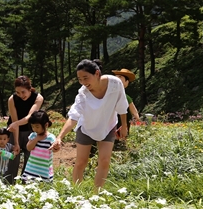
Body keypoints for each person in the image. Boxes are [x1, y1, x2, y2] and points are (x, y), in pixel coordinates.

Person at [50, 59, 129, 191]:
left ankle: (96, 195)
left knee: (104, 161)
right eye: (80, 79)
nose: (83, 82)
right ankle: (77, 192)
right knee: (81, 162)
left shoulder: (115, 83)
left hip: (107, 126)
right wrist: (59, 137)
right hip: (86, 127)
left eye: (86, 78)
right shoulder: (83, 94)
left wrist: (124, 126)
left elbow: (122, 106)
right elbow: (73, 117)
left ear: (97, 73)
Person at [6, 76, 44, 183]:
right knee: (12, 157)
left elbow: (29, 117)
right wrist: (16, 143)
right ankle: (8, 183)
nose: (21, 95)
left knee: (30, 159)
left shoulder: (38, 98)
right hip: (14, 131)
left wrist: (16, 123)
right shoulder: (12, 99)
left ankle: (27, 184)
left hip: (31, 131)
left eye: (23, 92)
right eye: (17, 92)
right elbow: (15, 122)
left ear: (29, 88)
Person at [21, 110, 56, 183]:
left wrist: (56, 146)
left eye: (37, 126)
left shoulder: (51, 138)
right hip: (31, 168)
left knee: (43, 189)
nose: (34, 129)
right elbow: (29, 148)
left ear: (46, 125)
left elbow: (55, 149)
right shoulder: (33, 135)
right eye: (32, 126)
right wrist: (36, 139)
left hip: (44, 169)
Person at [112, 68, 141, 135]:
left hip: (122, 126)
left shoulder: (126, 97)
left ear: (126, 82)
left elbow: (134, 111)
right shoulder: (109, 94)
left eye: (120, 77)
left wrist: (137, 118)